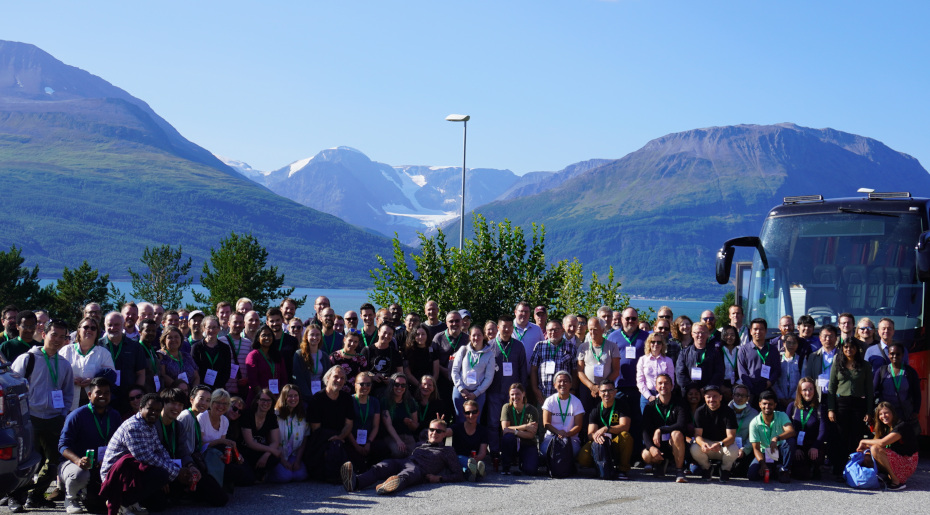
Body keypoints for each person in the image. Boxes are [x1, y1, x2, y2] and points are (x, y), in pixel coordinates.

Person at [8, 319, 74, 512]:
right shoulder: (27, 359)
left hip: (54, 419)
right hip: (30, 418)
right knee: (26, 462)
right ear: (43, 334)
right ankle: (15, 498)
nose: (58, 340)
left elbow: (68, 392)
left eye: (63, 337)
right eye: (54, 335)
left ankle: (36, 496)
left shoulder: (64, 364)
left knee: (53, 460)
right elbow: (13, 388)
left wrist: (62, 413)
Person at [100, 394, 196, 515]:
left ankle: (131, 502)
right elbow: (145, 457)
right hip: (114, 474)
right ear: (141, 408)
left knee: (161, 497)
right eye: (150, 409)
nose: (154, 413)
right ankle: (121, 502)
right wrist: (176, 472)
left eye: (157, 410)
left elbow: (159, 450)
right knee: (160, 474)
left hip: (130, 469)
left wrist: (178, 469)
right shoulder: (133, 426)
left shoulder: (149, 424)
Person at [340, 417, 464, 495]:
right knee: (382, 466)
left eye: (438, 431)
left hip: (419, 470)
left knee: (407, 474)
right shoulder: (421, 443)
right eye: (431, 430)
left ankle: (389, 487)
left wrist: (439, 478)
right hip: (405, 461)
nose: (434, 433)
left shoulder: (447, 450)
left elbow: (458, 474)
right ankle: (355, 483)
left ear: (444, 434)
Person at [57, 377, 121, 514]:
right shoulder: (77, 415)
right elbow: (63, 446)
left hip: (102, 464)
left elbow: (121, 444)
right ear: (89, 395)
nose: (103, 396)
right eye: (98, 392)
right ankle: (71, 498)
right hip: (76, 463)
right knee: (80, 473)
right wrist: (78, 460)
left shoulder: (115, 416)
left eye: (107, 392)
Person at [157, 388, 228, 510]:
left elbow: (184, 450)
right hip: (168, 467)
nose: (204, 403)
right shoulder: (184, 417)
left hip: (185, 463)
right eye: (201, 399)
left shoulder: (190, 419)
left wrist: (191, 466)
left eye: (208, 400)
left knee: (220, 497)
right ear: (191, 399)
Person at [827, 338, 873, 476]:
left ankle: (854, 469)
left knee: (856, 438)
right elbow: (832, 387)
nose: (848, 350)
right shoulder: (837, 363)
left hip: (859, 405)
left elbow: (869, 390)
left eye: (851, 347)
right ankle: (838, 469)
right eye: (845, 347)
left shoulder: (865, 365)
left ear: (857, 349)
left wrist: (869, 411)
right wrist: (831, 409)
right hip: (841, 404)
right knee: (840, 438)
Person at [486, 314, 528, 458]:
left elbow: (523, 370)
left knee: (513, 423)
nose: (507, 329)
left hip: (513, 395)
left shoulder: (518, 346)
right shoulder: (490, 346)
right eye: (504, 326)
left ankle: (512, 453)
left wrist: (523, 392)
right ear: (498, 328)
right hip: (494, 392)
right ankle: (495, 452)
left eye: (510, 326)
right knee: (493, 424)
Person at [306, 366, 355, 483]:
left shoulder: (347, 399)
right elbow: (315, 428)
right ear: (327, 378)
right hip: (321, 439)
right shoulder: (316, 399)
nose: (339, 380)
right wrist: (336, 438)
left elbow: (349, 424)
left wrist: (340, 437)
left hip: (342, 437)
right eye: (336, 377)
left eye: (342, 378)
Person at [578, 380, 633, 480]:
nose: (606, 393)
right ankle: (601, 467)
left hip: (616, 442)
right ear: (599, 393)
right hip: (601, 443)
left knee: (626, 436)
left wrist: (607, 429)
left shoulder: (622, 405)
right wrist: (596, 436)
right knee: (583, 458)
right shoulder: (595, 409)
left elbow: (625, 426)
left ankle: (622, 469)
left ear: (615, 392)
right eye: (603, 391)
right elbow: (590, 434)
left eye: (610, 390)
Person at [856, 402, 918, 490]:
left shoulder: (902, 426)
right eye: (880, 414)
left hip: (907, 462)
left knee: (875, 449)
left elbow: (882, 443)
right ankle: (884, 476)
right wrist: (864, 449)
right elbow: (874, 442)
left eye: (886, 413)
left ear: (893, 412)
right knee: (867, 456)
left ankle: (897, 481)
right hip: (896, 458)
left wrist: (862, 441)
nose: (883, 416)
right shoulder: (885, 427)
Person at [59, 315, 116, 410]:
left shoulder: (104, 353)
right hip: (68, 402)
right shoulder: (66, 350)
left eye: (93, 328)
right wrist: (71, 379)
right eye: (85, 327)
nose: (89, 330)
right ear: (78, 330)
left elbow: (112, 377)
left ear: (97, 332)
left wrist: (93, 381)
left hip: (95, 403)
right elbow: (57, 372)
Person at [640, 374, 688, 483]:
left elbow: (681, 425)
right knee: (646, 455)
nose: (663, 386)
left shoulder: (680, 403)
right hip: (658, 445)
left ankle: (679, 470)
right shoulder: (650, 406)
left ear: (671, 386)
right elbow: (645, 430)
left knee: (677, 434)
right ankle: (660, 464)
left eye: (666, 383)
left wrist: (660, 430)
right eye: (660, 383)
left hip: (675, 445)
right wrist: (651, 448)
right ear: (656, 387)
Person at [690, 385, 739, 482]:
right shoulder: (700, 411)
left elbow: (731, 437)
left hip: (723, 445)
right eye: (708, 396)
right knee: (694, 448)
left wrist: (720, 444)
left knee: (734, 449)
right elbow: (698, 435)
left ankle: (725, 470)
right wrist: (702, 444)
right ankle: (707, 468)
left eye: (715, 396)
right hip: (707, 445)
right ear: (704, 398)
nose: (712, 399)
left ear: (720, 397)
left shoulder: (729, 412)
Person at [748, 391, 796, 483]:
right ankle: (773, 470)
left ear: (775, 405)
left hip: (780, 450)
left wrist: (776, 438)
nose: (767, 407)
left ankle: (784, 470)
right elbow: (756, 449)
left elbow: (791, 431)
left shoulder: (782, 415)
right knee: (752, 475)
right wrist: (762, 464)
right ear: (759, 404)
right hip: (765, 453)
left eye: (770, 404)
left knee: (791, 441)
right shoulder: (754, 423)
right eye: (764, 404)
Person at [451, 325, 495, 421]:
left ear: (483, 336)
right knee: (460, 420)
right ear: (470, 337)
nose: (476, 338)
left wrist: (476, 393)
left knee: (475, 421)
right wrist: (461, 389)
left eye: (479, 335)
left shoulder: (489, 354)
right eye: (473, 335)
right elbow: (455, 370)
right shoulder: (463, 350)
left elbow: (489, 377)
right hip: (460, 392)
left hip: (478, 394)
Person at [873, 342, 921, 431]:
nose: (894, 356)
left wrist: (915, 411)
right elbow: (874, 392)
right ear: (888, 355)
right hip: (886, 415)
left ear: (902, 355)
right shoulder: (881, 371)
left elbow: (917, 393)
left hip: (904, 413)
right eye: (892, 354)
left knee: (903, 439)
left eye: (898, 354)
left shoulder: (910, 372)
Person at [576, 317, 620, 413]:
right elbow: (579, 371)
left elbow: (616, 370)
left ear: (602, 330)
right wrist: (592, 387)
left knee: (604, 414)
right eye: (590, 329)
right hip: (587, 389)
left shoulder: (612, 346)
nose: (592, 332)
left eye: (595, 329)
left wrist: (601, 387)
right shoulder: (583, 347)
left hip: (606, 390)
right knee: (586, 416)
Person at [530, 320, 578, 405]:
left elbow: (575, 371)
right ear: (546, 331)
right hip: (543, 395)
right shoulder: (540, 346)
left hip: (564, 395)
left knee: (563, 418)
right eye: (550, 330)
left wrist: (572, 389)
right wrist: (535, 389)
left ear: (562, 330)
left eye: (556, 330)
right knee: (543, 418)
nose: (553, 332)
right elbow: (533, 369)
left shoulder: (571, 347)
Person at [786, 377, 826, 479]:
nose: (808, 393)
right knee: (801, 476)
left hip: (812, 445)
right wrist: (796, 448)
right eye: (804, 390)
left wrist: (815, 446)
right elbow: (786, 430)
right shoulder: (792, 407)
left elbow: (823, 431)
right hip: (798, 445)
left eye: (810, 389)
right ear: (799, 391)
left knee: (816, 459)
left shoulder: (820, 408)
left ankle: (816, 468)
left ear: (814, 390)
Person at [267, 384, 308, 483]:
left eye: (295, 395)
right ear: (284, 397)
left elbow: (304, 441)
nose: (293, 398)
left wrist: (298, 461)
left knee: (301, 476)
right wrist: (282, 461)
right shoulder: (275, 415)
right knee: (285, 477)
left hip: (293, 454)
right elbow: (270, 439)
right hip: (278, 455)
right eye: (289, 396)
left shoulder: (302, 416)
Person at [540, 371, 585, 460]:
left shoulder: (577, 402)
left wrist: (567, 434)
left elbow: (578, 425)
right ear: (554, 385)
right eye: (559, 381)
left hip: (571, 438)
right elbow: (546, 423)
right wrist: (558, 432)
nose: (562, 384)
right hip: (552, 436)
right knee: (544, 452)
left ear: (570, 384)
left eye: (565, 381)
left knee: (573, 452)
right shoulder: (549, 401)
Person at [240, 388, 282, 481]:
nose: (265, 403)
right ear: (257, 401)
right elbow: (249, 443)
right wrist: (271, 450)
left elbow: (275, 441)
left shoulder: (271, 417)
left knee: (274, 457)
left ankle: (260, 473)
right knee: (248, 480)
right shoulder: (248, 415)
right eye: (263, 400)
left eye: (268, 400)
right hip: (245, 451)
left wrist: (266, 454)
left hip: (260, 451)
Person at [348, 372, 387, 470]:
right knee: (358, 466)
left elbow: (375, 426)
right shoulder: (349, 401)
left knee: (383, 449)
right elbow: (346, 427)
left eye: (368, 384)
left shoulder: (374, 402)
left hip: (369, 440)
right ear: (355, 385)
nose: (365, 387)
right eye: (361, 384)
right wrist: (356, 446)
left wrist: (368, 442)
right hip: (352, 440)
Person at [500, 383, 539, 476]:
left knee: (531, 471)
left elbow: (531, 435)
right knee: (508, 437)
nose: (515, 397)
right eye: (512, 394)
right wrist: (525, 427)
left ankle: (523, 462)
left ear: (523, 394)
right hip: (512, 442)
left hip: (528, 443)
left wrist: (514, 431)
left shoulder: (532, 410)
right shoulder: (506, 407)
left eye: (518, 394)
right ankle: (506, 466)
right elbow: (505, 429)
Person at [737, 318, 781, 401]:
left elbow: (777, 370)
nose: (758, 332)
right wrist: (751, 387)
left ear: (766, 331)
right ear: (750, 331)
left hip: (767, 388)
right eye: (755, 329)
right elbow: (742, 371)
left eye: (761, 329)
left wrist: (769, 382)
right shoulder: (743, 350)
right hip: (750, 391)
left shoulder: (773, 349)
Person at [675, 323, 723, 396]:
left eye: (703, 332)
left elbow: (719, 373)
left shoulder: (715, 352)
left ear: (707, 334)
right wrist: (692, 389)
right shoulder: (684, 353)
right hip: (688, 394)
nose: (700, 335)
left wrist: (706, 389)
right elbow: (680, 373)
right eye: (697, 333)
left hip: (708, 394)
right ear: (692, 334)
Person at [245, 324, 288, 404]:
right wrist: (264, 398)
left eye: (269, 335)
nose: (267, 338)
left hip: (277, 398)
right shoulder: (253, 355)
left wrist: (281, 396)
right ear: (258, 338)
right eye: (264, 335)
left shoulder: (277, 355)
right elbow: (253, 380)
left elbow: (284, 378)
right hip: (258, 399)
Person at [381, 373, 419, 458]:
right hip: (391, 436)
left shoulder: (410, 402)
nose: (399, 388)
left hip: (407, 436)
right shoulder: (385, 401)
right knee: (398, 452)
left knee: (414, 456)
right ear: (392, 385)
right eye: (396, 384)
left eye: (403, 385)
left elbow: (415, 426)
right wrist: (398, 441)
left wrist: (410, 423)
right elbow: (388, 425)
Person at [362, 322, 404, 399]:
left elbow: (400, 374)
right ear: (378, 332)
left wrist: (392, 380)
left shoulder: (395, 353)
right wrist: (372, 377)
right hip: (369, 391)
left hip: (389, 391)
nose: (386, 336)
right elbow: (360, 372)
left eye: (390, 334)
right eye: (384, 332)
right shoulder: (367, 350)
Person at [451, 399, 489, 481]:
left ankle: (471, 472)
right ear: (464, 414)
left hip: (475, 459)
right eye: (467, 413)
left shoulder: (483, 430)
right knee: (462, 460)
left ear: (478, 412)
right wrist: (439, 424)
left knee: (479, 463)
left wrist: (477, 457)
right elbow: (445, 432)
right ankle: (477, 472)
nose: (471, 415)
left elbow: (482, 452)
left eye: (474, 412)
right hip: (459, 458)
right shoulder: (457, 428)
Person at [637, 332, 675, 413]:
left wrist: (659, 396)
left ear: (662, 344)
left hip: (664, 394)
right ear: (649, 344)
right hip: (646, 395)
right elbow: (640, 381)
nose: (656, 344)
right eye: (653, 342)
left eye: (659, 342)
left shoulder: (668, 361)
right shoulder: (642, 360)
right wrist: (649, 396)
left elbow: (671, 381)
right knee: (646, 421)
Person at [191, 316, 232, 389]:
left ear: (219, 329)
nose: (211, 330)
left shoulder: (225, 348)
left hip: (219, 388)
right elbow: (194, 370)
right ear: (203, 329)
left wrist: (218, 386)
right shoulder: (196, 347)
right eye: (208, 327)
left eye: (214, 327)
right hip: (201, 388)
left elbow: (227, 371)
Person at [728, 383, 758, 478]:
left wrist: (744, 449)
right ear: (733, 396)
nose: (739, 398)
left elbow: (754, 436)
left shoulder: (754, 414)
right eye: (737, 395)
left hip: (746, 450)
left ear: (748, 398)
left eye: (743, 396)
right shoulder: (725, 411)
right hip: (728, 448)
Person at [157, 326, 200, 390]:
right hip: (172, 394)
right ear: (164, 340)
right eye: (170, 337)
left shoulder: (186, 356)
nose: (173, 340)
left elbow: (196, 376)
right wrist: (181, 389)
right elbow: (163, 375)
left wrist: (193, 391)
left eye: (176, 337)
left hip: (190, 393)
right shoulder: (160, 355)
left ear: (181, 339)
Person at [293, 324, 328, 400]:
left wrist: (322, 394)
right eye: (312, 335)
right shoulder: (299, 355)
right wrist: (310, 397)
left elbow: (327, 378)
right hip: (304, 397)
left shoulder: (324, 356)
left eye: (317, 335)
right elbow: (299, 379)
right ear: (306, 336)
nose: (315, 337)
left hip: (322, 396)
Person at [805, 324, 839, 401]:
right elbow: (809, 377)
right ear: (820, 338)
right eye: (825, 336)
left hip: (837, 396)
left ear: (836, 338)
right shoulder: (813, 356)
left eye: (831, 336)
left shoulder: (842, 355)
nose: (828, 339)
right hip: (818, 396)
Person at [220, 311, 251, 395]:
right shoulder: (220, 341)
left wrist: (247, 379)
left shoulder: (248, 343)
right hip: (225, 389)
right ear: (229, 323)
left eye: (240, 322)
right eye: (235, 322)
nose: (238, 325)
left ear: (244, 324)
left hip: (242, 390)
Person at [402, 323, 438, 392]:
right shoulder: (407, 352)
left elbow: (436, 373)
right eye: (417, 334)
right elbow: (408, 374)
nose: (420, 337)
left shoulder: (432, 351)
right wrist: (420, 386)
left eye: (423, 334)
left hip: (430, 388)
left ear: (427, 335)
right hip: (413, 386)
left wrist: (429, 386)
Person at [266, 307, 299, 379]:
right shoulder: (264, 342)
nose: (275, 323)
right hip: (268, 381)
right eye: (272, 321)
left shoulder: (292, 341)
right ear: (267, 323)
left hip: (287, 381)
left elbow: (296, 365)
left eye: (277, 320)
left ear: (282, 320)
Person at [774, 333, 803, 409]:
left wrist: (794, 397)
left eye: (794, 343)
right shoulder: (777, 358)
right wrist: (780, 397)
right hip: (779, 399)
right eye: (788, 342)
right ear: (783, 344)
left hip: (796, 400)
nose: (791, 345)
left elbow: (803, 380)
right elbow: (774, 380)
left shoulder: (801, 360)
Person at [513, 301, 544, 369]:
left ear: (530, 314)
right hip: (512, 375)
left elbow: (543, 349)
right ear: (515, 312)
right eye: (521, 311)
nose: (524, 314)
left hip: (532, 375)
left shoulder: (536, 329)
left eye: (526, 312)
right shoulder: (507, 328)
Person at [134, 319, 162, 394]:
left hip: (155, 392)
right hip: (143, 393)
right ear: (140, 332)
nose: (151, 333)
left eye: (153, 331)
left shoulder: (153, 350)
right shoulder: (136, 350)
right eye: (148, 330)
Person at [718, 324, 739, 399]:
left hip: (737, 385)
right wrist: (721, 387)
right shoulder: (718, 351)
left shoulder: (740, 351)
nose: (729, 337)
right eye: (726, 335)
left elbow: (743, 370)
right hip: (721, 385)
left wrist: (737, 385)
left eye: (732, 335)